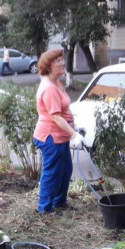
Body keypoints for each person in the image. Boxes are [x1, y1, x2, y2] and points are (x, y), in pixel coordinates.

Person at [33, 49, 83, 213]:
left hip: (60, 137)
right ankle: (45, 209)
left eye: (63, 60)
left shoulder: (57, 83)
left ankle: (59, 202)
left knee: (65, 171)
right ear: (48, 66)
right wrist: (74, 134)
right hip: (50, 137)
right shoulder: (49, 88)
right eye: (58, 61)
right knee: (52, 173)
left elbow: (64, 111)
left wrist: (74, 129)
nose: (63, 63)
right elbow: (55, 117)